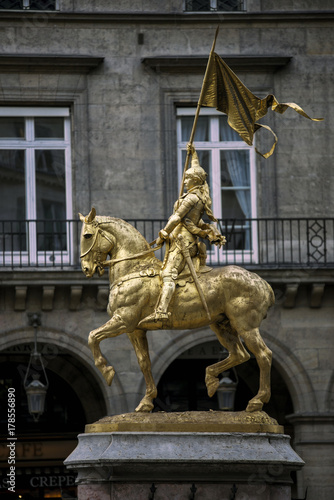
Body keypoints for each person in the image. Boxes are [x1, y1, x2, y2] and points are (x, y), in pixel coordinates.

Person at [140, 144, 226, 327]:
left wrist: (165, 231)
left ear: (195, 180)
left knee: (168, 275)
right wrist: (193, 154)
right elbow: (193, 221)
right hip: (182, 237)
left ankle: (162, 311)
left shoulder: (191, 199)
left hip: (183, 240)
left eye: (187, 178)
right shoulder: (200, 196)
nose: (185, 181)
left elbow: (177, 217)